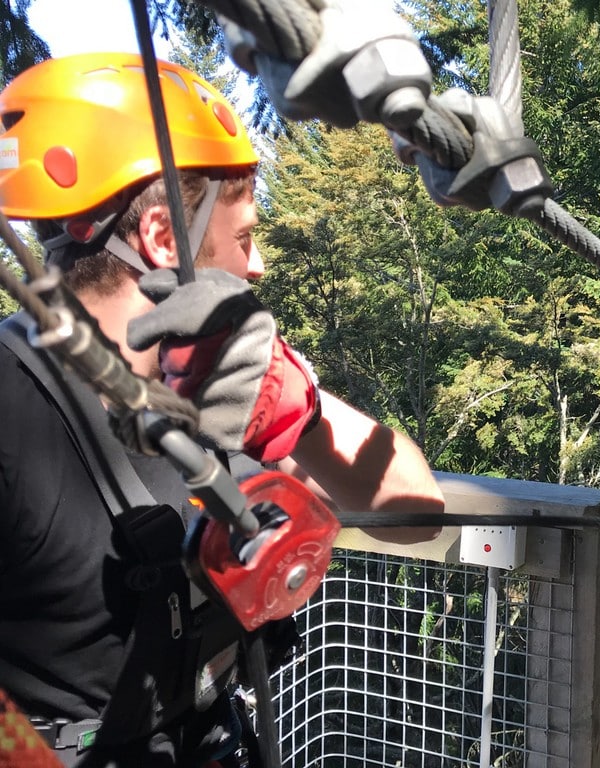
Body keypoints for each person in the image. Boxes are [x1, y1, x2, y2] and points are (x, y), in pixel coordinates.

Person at [0, 52, 445, 767]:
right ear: (164, 239)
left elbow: (417, 510)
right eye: (244, 237)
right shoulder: (14, 408)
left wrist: (302, 412)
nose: (259, 263)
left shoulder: (232, 377)